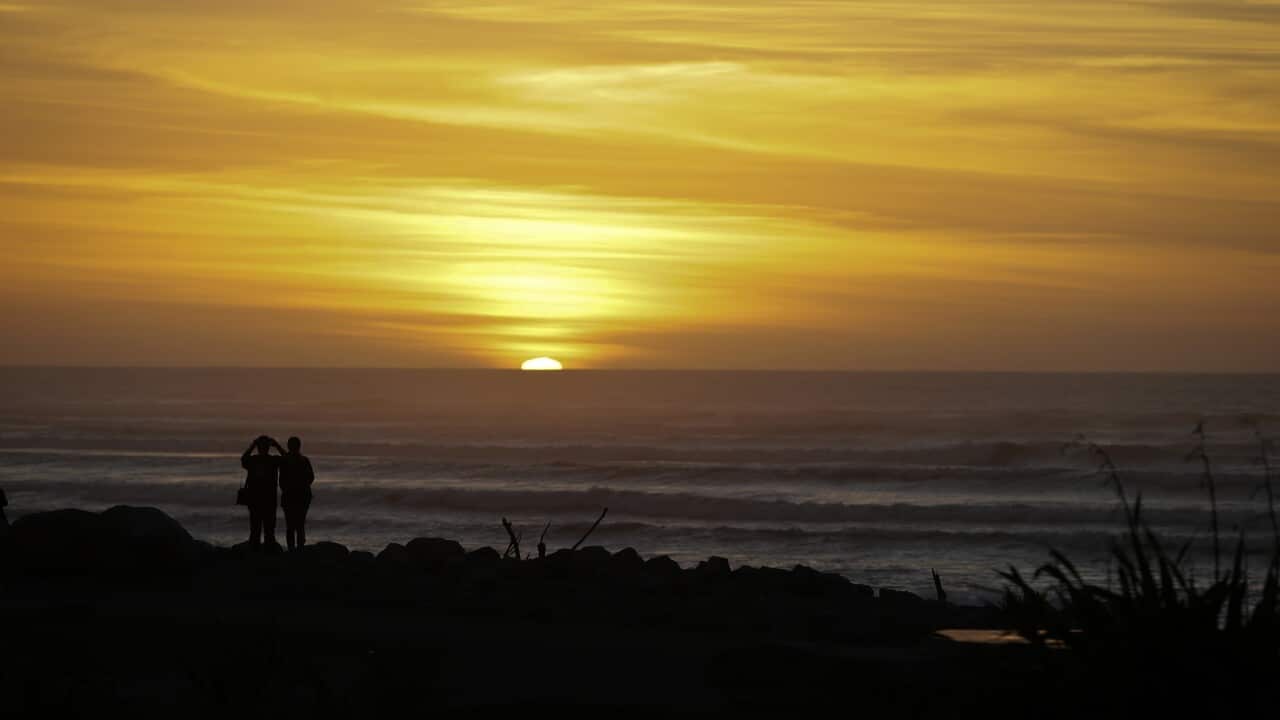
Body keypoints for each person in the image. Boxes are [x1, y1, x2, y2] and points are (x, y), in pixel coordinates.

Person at [240, 435, 283, 549]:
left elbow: (243, 459)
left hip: (255, 499)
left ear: (258, 448)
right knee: (269, 531)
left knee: (255, 530)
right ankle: (269, 555)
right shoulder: (273, 461)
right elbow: (287, 458)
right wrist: (277, 445)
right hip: (269, 499)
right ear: (268, 448)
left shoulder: (253, 460)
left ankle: (255, 555)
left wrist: (253, 445)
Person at [278, 436, 315, 550]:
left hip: (290, 497)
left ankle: (292, 550)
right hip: (303, 497)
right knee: (299, 524)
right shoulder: (304, 460)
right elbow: (311, 478)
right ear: (299, 447)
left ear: (289, 446)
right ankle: (299, 549)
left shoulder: (285, 461)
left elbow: (282, 481)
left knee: (290, 526)